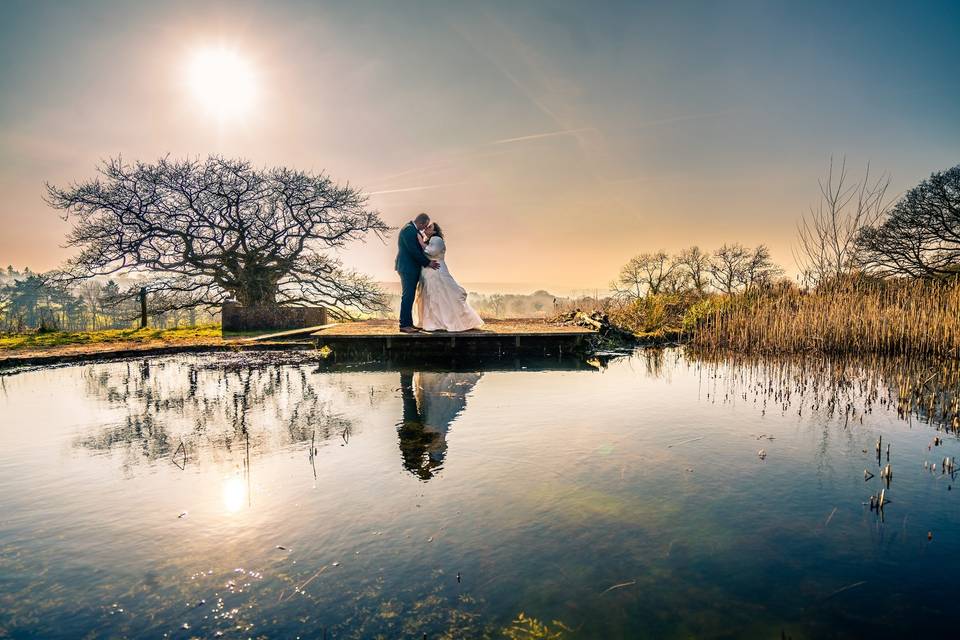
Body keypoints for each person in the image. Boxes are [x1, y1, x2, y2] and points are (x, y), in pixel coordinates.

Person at [416, 222, 484, 332]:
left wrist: (420, 242)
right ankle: (435, 323)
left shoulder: (437, 239)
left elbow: (432, 252)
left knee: (442, 297)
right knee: (432, 297)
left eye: (430, 227)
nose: (427, 228)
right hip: (429, 273)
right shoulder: (429, 241)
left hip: (437, 272)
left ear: (434, 231)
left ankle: (446, 322)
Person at [395, 213, 439, 333]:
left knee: (410, 295)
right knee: (408, 295)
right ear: (420, 222)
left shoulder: (412, 229)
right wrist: (427, 262)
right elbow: (413, 250)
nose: (425, 228)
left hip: (410, 268)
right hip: (407, 268)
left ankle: (408, 323)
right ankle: (404, 324)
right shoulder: (409, 230)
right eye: (424, 225)